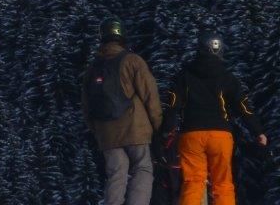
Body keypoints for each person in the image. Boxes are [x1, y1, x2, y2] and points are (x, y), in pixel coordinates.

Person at [162, 31, 268, 205]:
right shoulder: (227, 77)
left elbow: (172, 105)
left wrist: (166, 130)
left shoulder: (185, 75)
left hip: (192, 135)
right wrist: (258, 132)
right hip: (220, 135)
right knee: (223, 183)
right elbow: (244, 108)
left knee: (193, 182)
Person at [81, 17, 162, 205]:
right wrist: (158, 125)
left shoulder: (92, 69)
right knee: (142, 169)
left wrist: (98, 131)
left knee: (116, 174)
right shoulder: (132, 61)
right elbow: (150, 95)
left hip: (106, 133)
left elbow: (86, 107)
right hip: (135, 129)